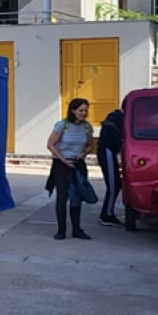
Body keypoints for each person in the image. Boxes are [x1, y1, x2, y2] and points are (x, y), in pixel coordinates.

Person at [46, 97, 95, 240]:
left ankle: (76, 229)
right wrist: (63, 159)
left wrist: (83, 153)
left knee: (76, 197)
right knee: (62, 196)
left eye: (85, 111)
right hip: (61, 164)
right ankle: (61, 230)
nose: (83, 113)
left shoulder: (87, 127)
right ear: (73, 111)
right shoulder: (63, 125)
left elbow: (90, 145)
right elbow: (50, 145)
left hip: (77, 164)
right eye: (80, 110)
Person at [96, 108, 125, 227]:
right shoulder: (118, 119)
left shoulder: (114, 117)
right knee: (114, 185)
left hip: (107, 151)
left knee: (115, 184)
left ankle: (108, 212)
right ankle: (107, 215)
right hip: (108, 151)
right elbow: (119, 140)